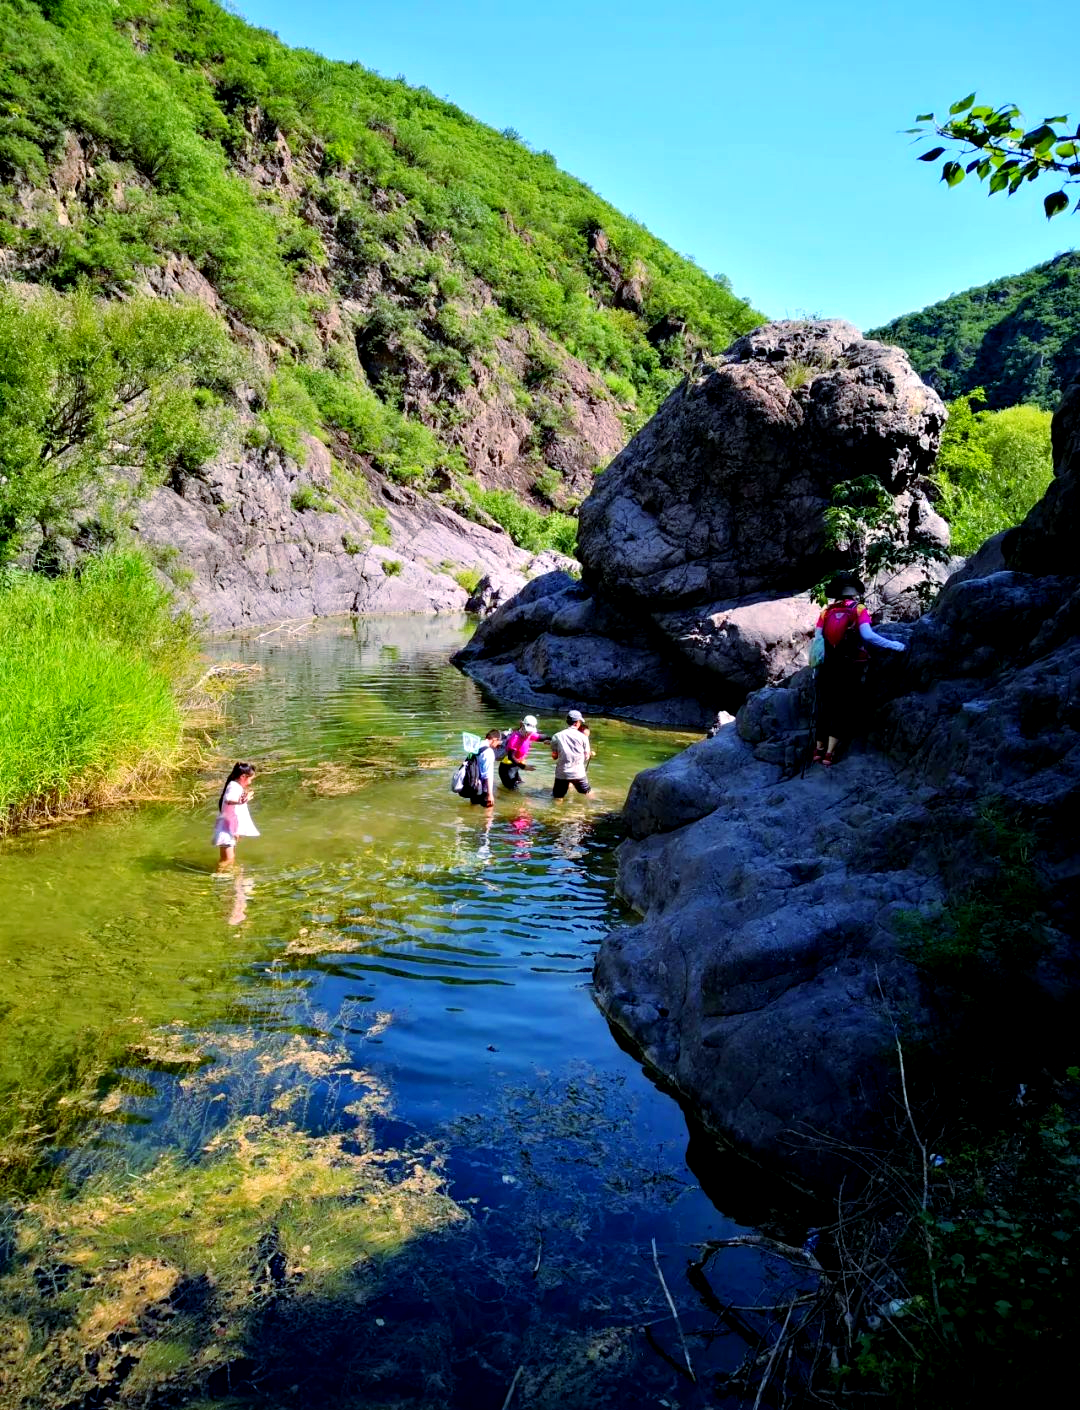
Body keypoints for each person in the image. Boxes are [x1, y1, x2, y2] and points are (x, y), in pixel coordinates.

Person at [812, 581, 905, 767]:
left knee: (825, 705)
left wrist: (816, 667)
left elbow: (818, 639)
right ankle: (829, 754)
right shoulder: (859, 609)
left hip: (827, 665)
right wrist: (894, 645)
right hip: (849, 665)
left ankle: (818, 750)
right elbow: (868, 635)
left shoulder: (826, 611)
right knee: (841, 706)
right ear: (854, 594)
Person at [212, 762, 259, 868]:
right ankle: (218, 878)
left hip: (229, 828)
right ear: (243, 777)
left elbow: (233, 811)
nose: (250, 782)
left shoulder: (236, 786)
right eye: (250, 779)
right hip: (225, 831)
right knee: (227, 860)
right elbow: (229, 799)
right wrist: (241, 800)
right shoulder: (233, 786)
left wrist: (236, 831)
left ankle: (228, 879)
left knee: (230, 859)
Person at [550, 710, 595, 800]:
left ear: (568, 722)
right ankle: (595, 808)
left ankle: (556, 813)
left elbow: (554, 756)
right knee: (588, 793)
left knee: (558, 798)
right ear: (577, 722)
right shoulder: (583, 737)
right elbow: (586, 757)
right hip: (578, 773)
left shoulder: (556, 736)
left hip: (562, 773)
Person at [499, 714, 549, 791]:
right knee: (513, 793)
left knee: (520, 784)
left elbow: (542, 737)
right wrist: (524, 767)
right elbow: (511, 757)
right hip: (507, 768)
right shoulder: (515, 739)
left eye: (531, 731)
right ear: (523, 726)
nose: (530, 733)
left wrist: (556, 738)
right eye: (528, 731)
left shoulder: (529, 735)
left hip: (515, 767)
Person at [472, 729, 502, 808]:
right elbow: (487, 775)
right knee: (489, 814)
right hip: (482, 788)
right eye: (498, 742)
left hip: (473, 784)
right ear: (494, 740)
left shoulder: (476, 745)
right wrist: (490, 794)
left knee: (473, 806)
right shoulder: (488, 752)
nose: (498, 745)